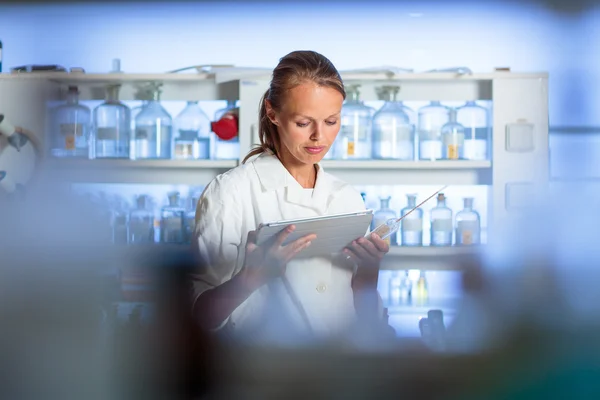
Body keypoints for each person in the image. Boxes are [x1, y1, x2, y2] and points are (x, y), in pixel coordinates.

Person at [192, 50, 390, 340]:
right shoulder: (231, 192)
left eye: (331, 121)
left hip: (338, 369)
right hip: (264, 372)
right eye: (303, 123)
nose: (319, 137)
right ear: (273, 113)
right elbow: (198, 318)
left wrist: (368, 275)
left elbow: (363, 316)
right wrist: (250, 279)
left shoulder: (347, 197)